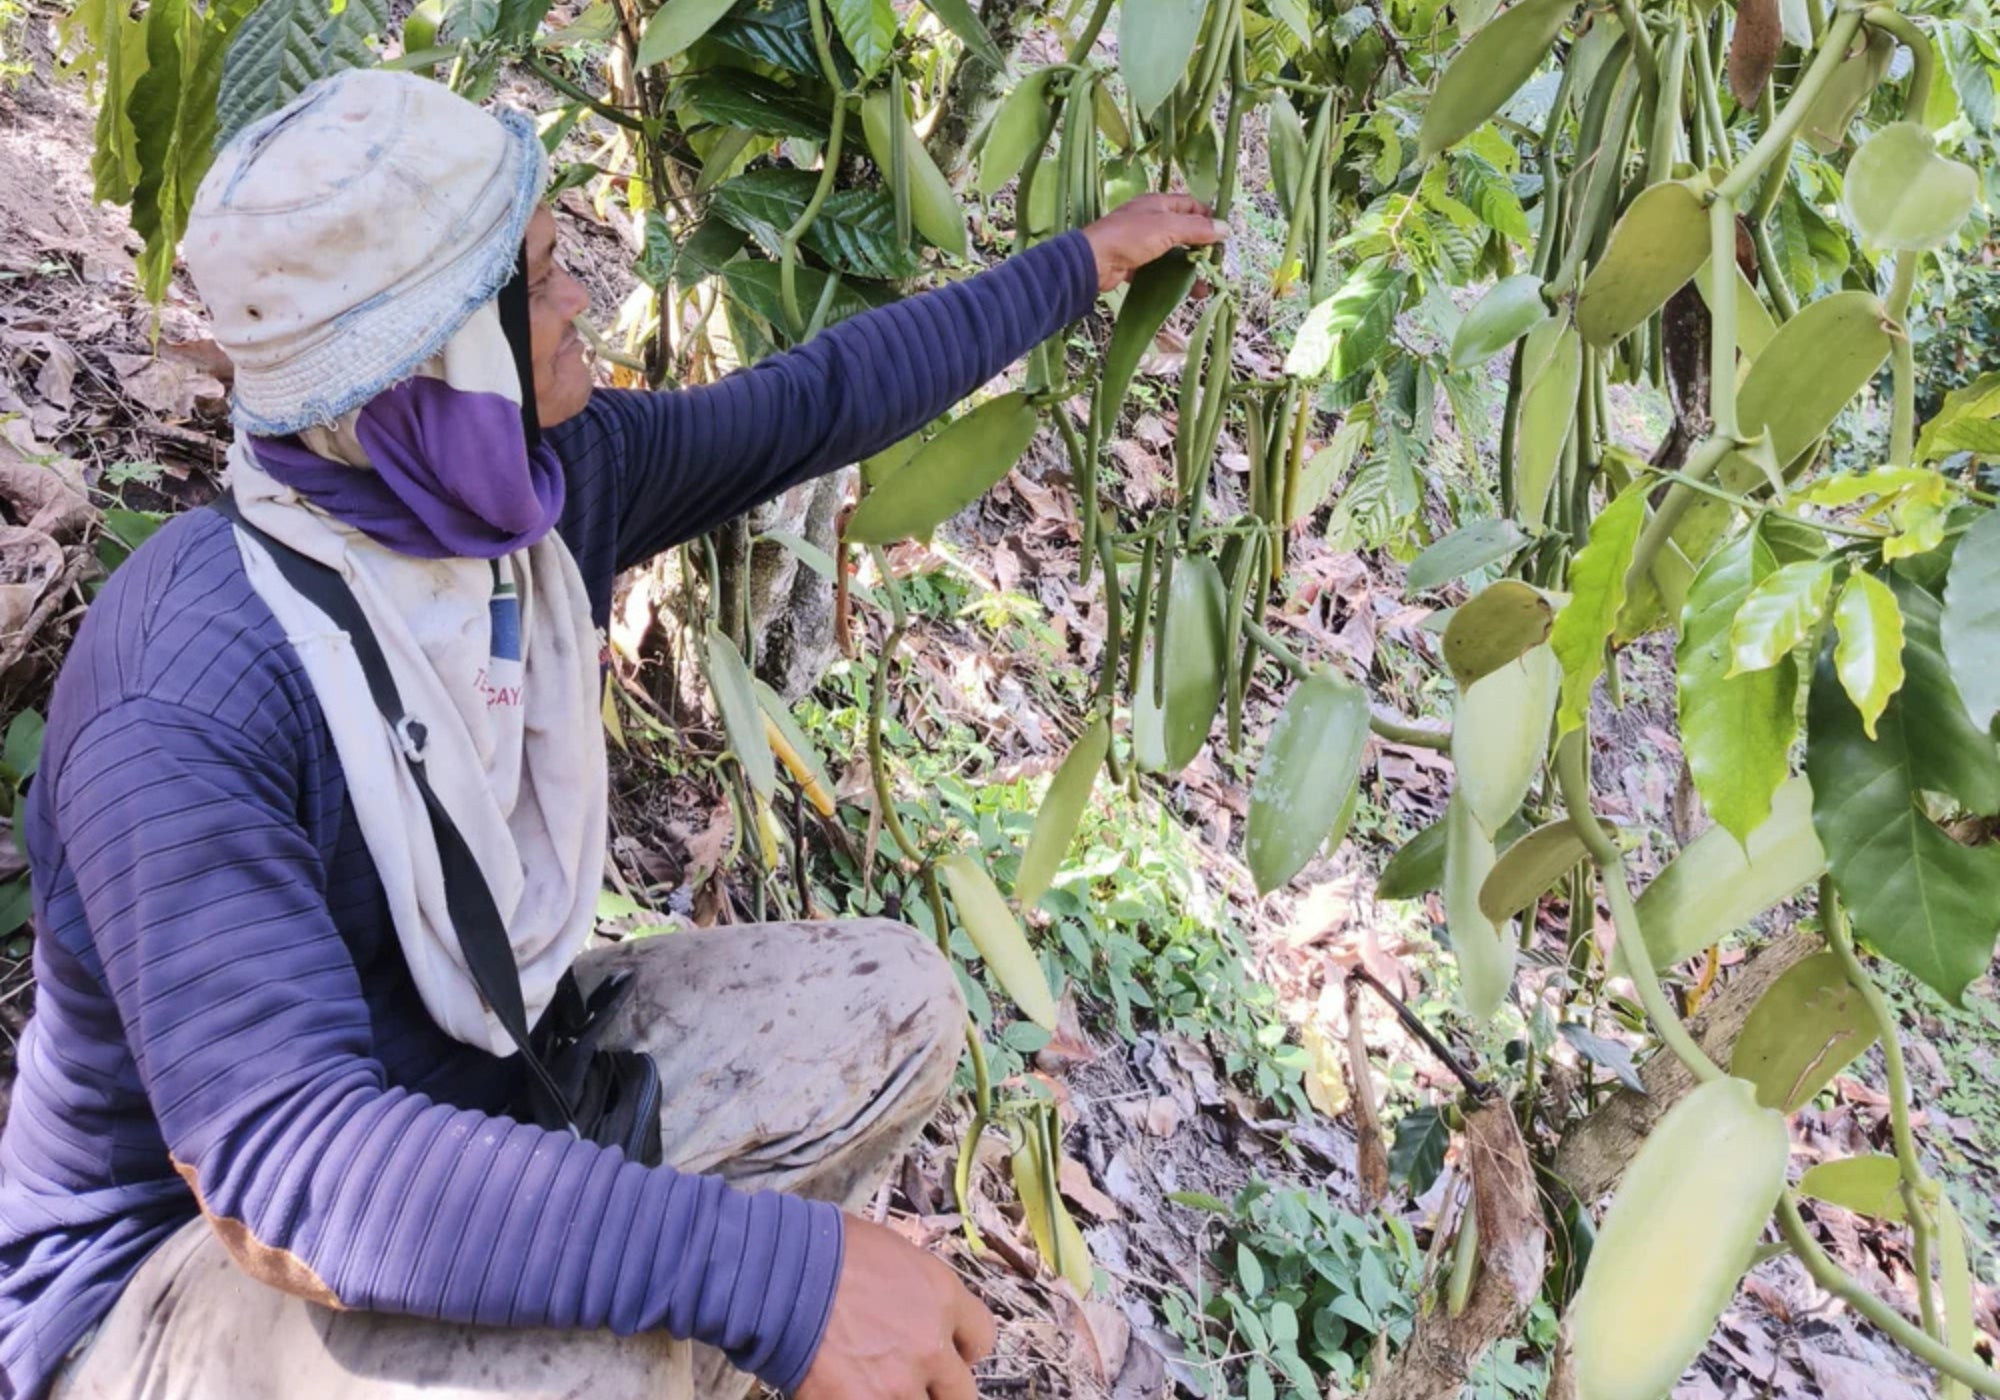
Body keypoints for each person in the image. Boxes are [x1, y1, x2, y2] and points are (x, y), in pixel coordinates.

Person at [0, 67, 1224, 1400]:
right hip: (180, 1287)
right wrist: (768, 1276)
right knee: (597, 1355)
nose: (580, 291)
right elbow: (291, 1167)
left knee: (893, 1005)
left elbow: (814, 405)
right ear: (432, 358)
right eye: (533, 282)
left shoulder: (530, 501)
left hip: (478, 1086)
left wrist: (1078, 268)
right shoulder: (186, 687)